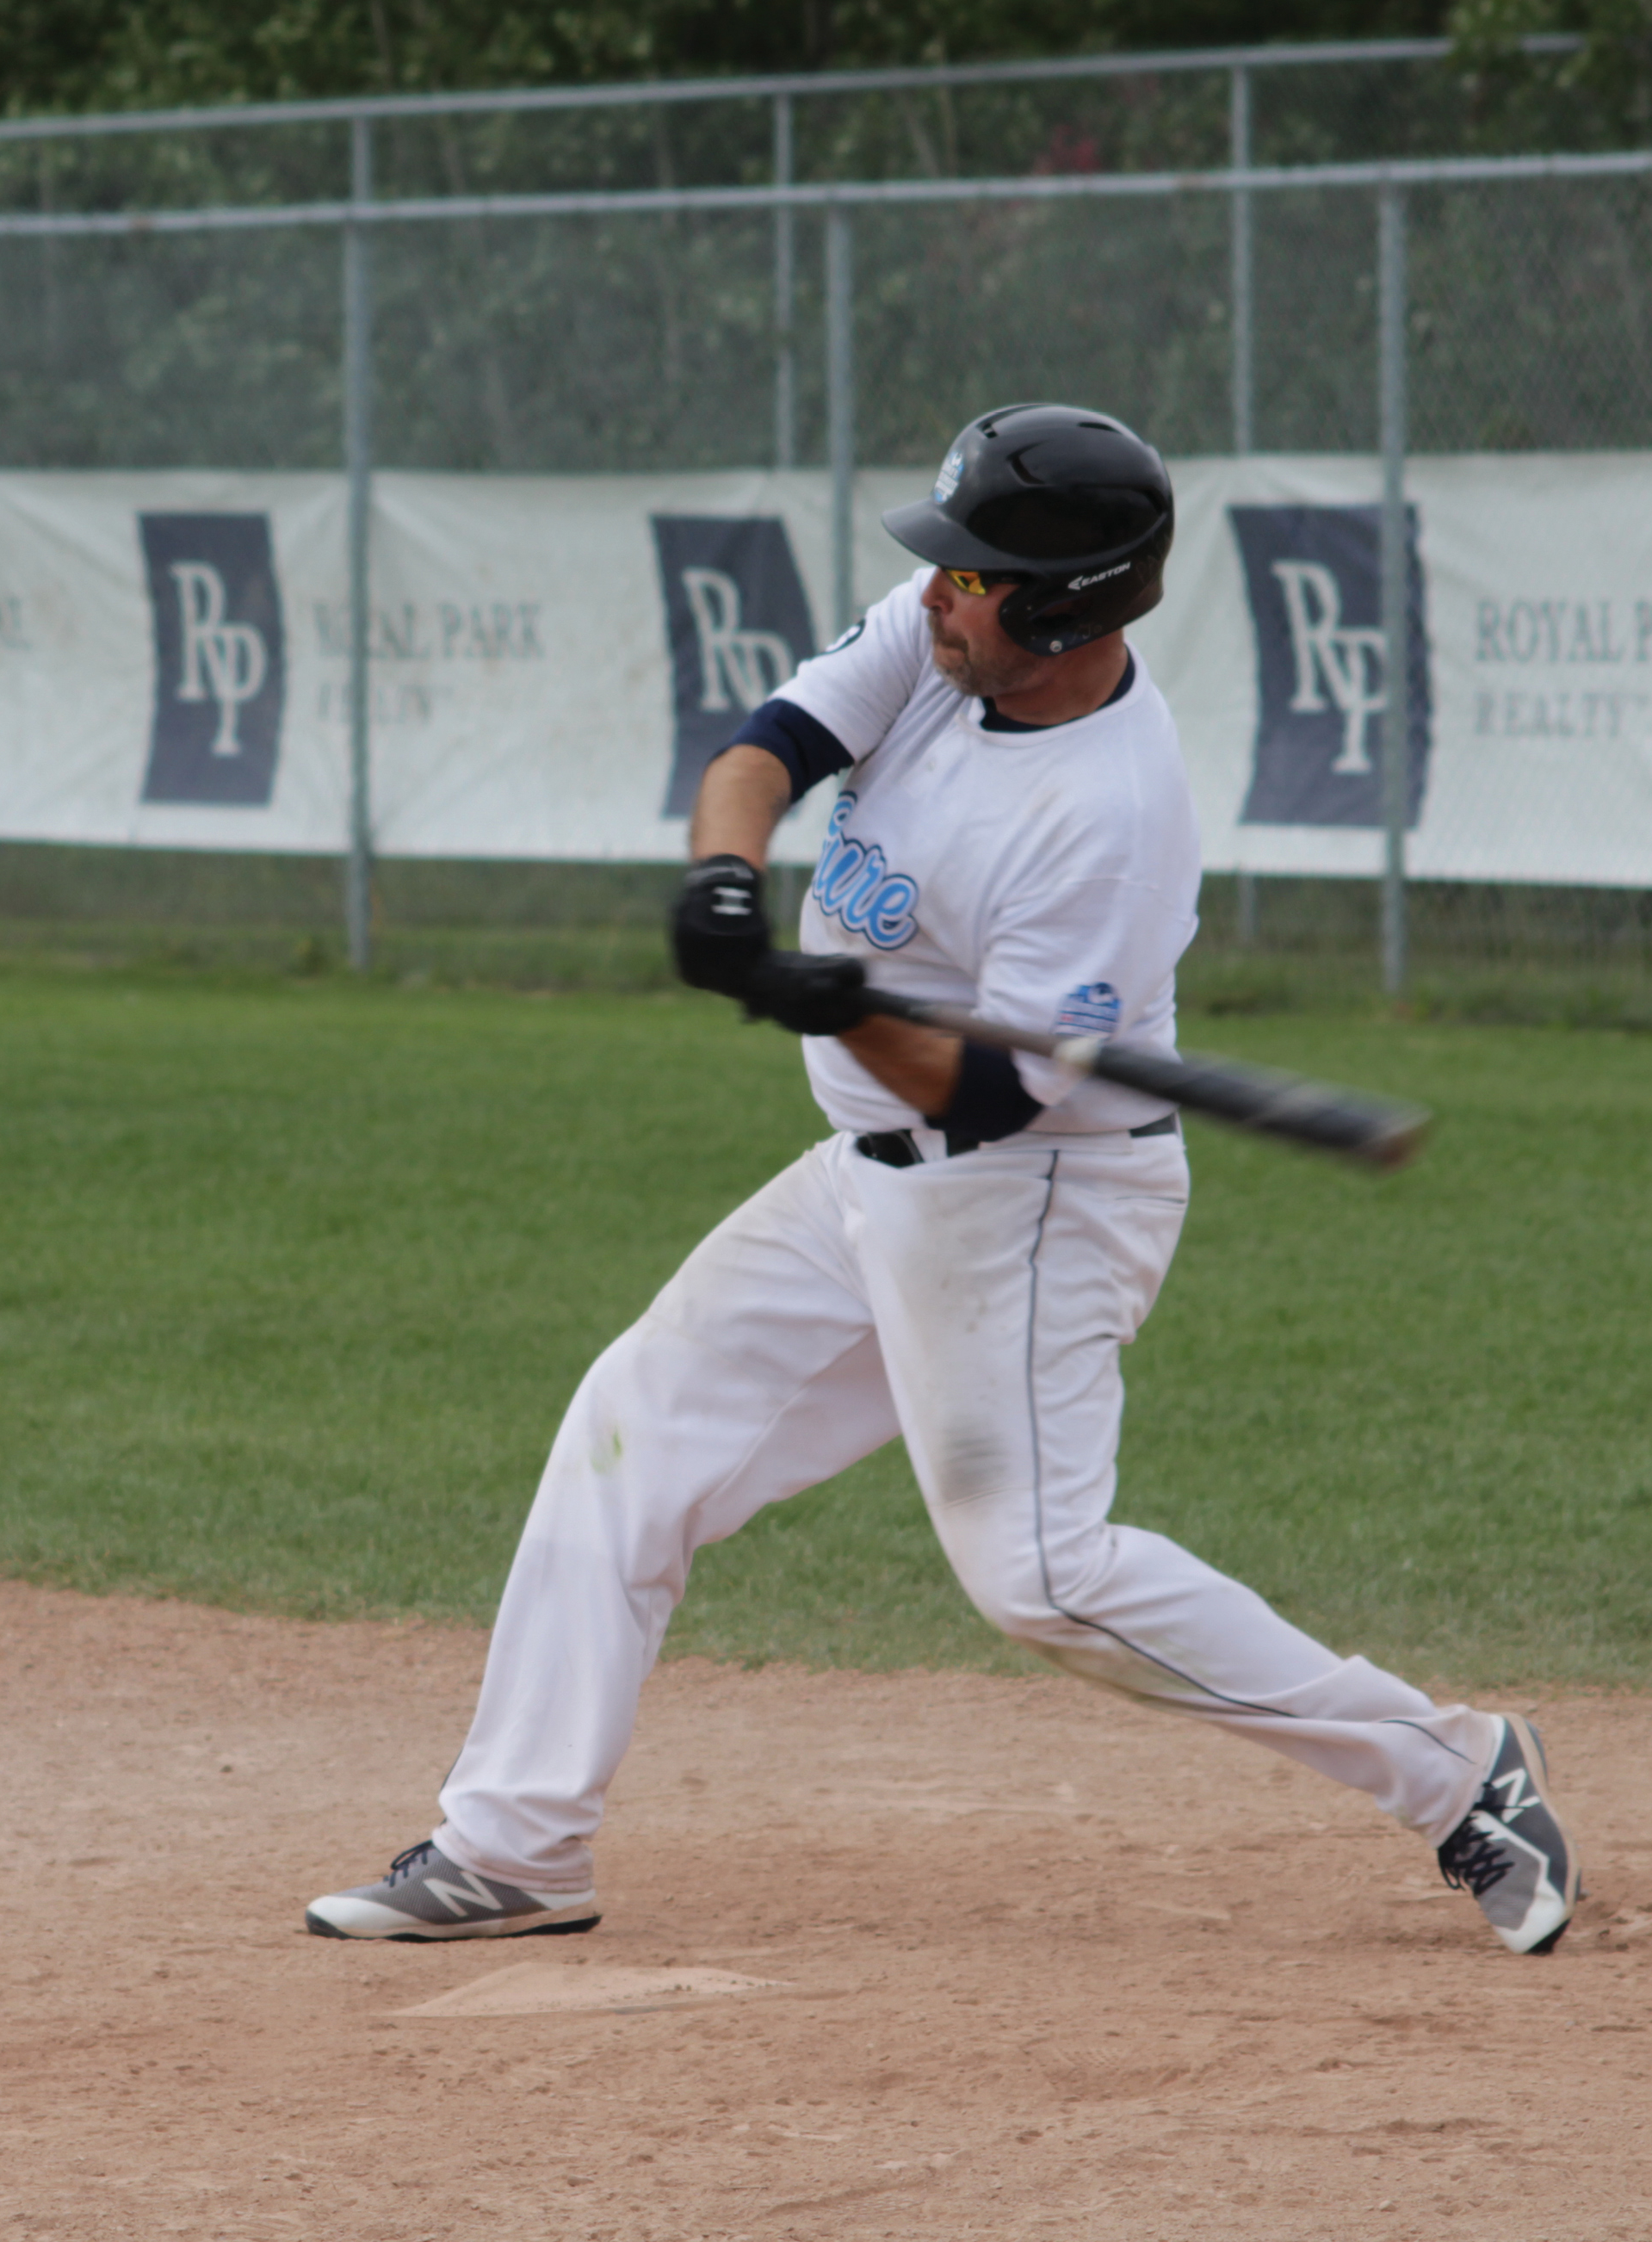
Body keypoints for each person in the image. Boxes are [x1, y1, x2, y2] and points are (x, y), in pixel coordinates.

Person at [305, 404, 1578, 1960]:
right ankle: (515, 1848)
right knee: (629, 1434)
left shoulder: (1106, 821)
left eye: (971, 578)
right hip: (865, 1180)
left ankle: (1457, 1772)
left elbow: (985, 1096)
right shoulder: (940, 639)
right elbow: (771, 746)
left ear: (1057, 609)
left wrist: (824, 1000)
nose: (934, 593)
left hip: (1033, 1199)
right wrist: (724, 883)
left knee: (1046, 1579)